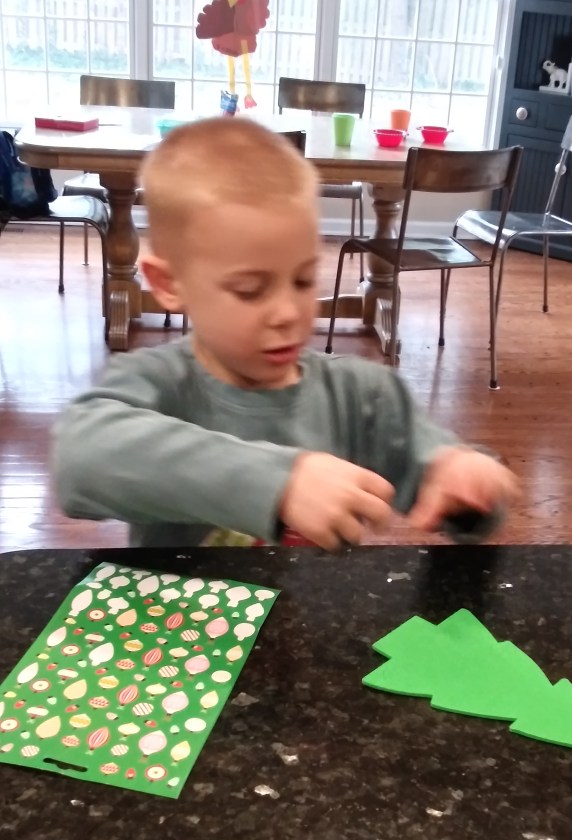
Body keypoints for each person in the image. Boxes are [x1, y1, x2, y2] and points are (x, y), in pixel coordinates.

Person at [52, 117, 518, 550]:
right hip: (180, 614)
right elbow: (79, 461)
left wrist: (466, 481)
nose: (287, 313)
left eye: (303, 280)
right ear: (170, 284)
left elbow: (442, 475)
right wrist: (280, 480)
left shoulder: (363, 396)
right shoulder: (156, 383)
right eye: (250, 290)